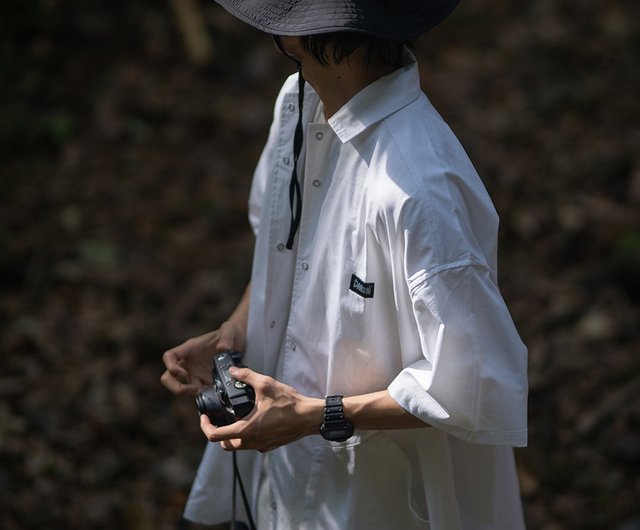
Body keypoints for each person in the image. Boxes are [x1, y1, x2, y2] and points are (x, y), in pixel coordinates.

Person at [161, 1, 529, 529]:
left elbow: (477, 384)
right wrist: (233, 329)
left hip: (382, 499)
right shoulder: (298, 103)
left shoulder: (420, 185)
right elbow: (283, 247)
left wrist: (315, 417)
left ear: (295, 38)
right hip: (285, 480)